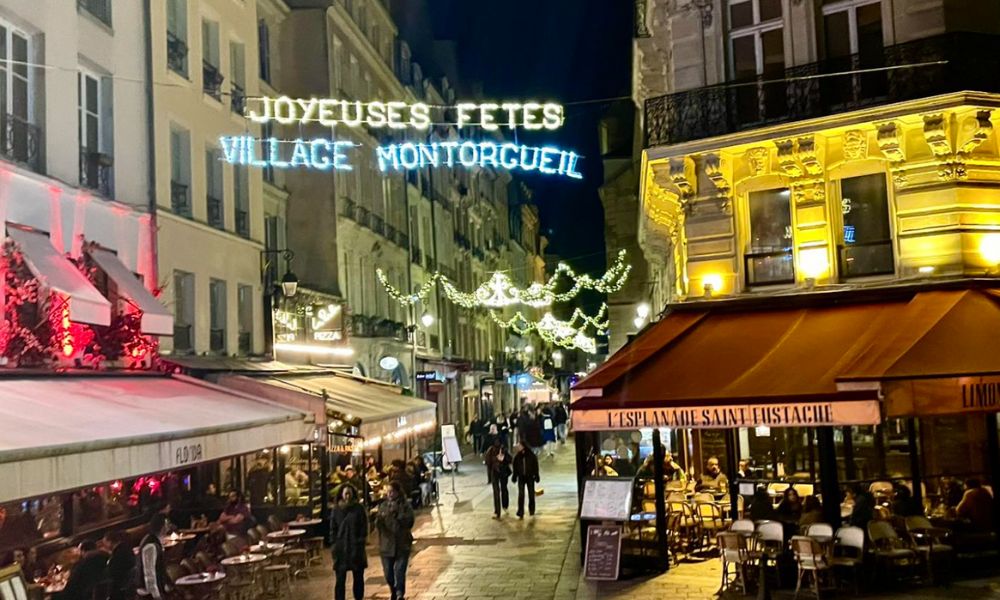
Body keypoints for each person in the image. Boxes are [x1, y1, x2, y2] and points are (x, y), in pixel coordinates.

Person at [376, 482, 415, 600]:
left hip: (402, 543)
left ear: (398, 492)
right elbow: (378, 524)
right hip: (387, 545)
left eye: (392, 491)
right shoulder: (383, 506)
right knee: (388, 573)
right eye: (388, 492)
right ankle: (393, 589)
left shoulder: (405, 505)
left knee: (399, 570)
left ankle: (399, 593)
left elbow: (410, 521)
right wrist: (380, 519)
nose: (390, 494)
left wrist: (397, 515)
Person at [330, 485, 368, 600]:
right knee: (340, 580)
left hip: (356, 548)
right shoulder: (336, 509)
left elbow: (364, 526)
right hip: (341, 549)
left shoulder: (359, 508)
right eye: (345, 493)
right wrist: (334, 544)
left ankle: (358, 597)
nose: (347, 496)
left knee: (358, 577)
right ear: (341, 494)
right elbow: (333, 528)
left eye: (349, 493)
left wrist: (360, 541)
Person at [137, 513, 172, 599]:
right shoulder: (150, 545)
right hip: (148, 594)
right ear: (162, 527)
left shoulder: (155, 541)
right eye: (167, 524)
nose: (169, 527)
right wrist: (156, 596)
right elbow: (149, 573)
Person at [484, 438, 512, 519]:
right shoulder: (490, 450)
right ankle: (498, 511)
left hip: (503, 472)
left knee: (503, 489)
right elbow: (488, 462)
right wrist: (496, 459)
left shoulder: (503, 449)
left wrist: (503, 458)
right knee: (497, 492)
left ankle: (504, 507)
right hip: (495, 473)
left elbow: (510, 459)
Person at [512, 441, 540, 519]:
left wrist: (536, 475)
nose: (517, 447)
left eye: (519, 446)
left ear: (523, 446)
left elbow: (535, 466)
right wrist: (514, 476)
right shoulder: (517, 457)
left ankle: (532, 510)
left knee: (531, 494)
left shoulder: (531, 455)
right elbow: (515, 467)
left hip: (530, 477)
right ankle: (520, 511)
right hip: (521, 477)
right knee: (521, 494)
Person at [104, 530, 135, 600]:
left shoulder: (118, 554)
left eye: (105, 543)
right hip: (128, 587)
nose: (105, 546)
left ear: (110, 541)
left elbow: (112, 573)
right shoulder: (127, 549)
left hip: (120, 590)